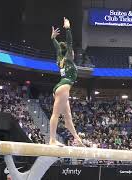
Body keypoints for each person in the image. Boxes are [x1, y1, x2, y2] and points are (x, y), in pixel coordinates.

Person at [49, 17, 84, 147]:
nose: (73, 52)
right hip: (64, 87)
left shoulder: (60, 58)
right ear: (69, 52)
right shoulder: (68, 58)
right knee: (56, 114)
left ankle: (77, 138)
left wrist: (53, 39)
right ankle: (52, 139)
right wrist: (68, 29)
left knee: (68, 117)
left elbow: (59, 48)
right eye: (72, 51)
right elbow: (69, 43)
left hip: (60, 87)